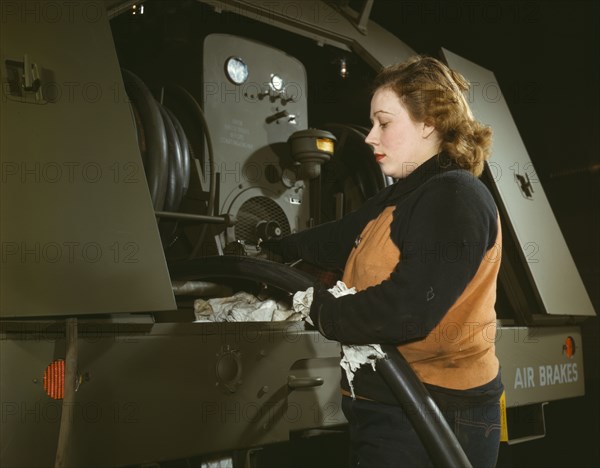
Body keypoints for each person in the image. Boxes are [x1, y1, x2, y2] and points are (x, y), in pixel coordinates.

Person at [272, 55, 504, 467]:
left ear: (428, 123)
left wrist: (323, 310)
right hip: (392, 407)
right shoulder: (406, 195)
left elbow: (407, 309)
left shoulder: (454, 196)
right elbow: (338, 239)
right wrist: (276, 247)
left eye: (384, 122)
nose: (369, 137)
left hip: (433, 414)